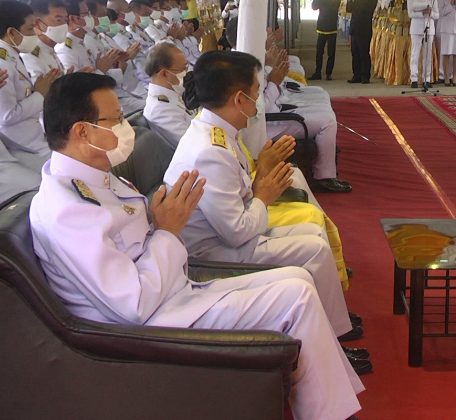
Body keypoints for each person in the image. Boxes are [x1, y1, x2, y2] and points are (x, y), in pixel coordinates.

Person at [31, 72, 364, 420]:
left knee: (299, 279)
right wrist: (166, 231)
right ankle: (333, 414)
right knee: (297, 296)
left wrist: (165, 232)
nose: (124, 127)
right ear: (82, 131)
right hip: (144, 329)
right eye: (114, 119)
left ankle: (332, 405)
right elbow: (133, 305)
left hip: (172, 293)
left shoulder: (97, 181)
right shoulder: (67, 210)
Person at [163, 51, 367, 367]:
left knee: (313, 233)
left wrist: (261, 178)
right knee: (313, 248)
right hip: (209, 253)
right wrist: (262, 195)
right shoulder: (209, 151)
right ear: (239, 99)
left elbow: (237, 197)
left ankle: (333, 325)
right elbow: (236, 233)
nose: (259, 101)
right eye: (257, 92)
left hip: (226, 235)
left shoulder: (216, 131)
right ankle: (333, 345)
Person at [0, 0, 59, 171]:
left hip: (35, 134)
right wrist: (39, 94)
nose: (35, 33)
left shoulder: (12, 56)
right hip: (20, 143)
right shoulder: (3, 63)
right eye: (30, 28)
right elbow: (7, 116)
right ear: (12, 32)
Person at [25, 0, 69, 81]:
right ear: (37, 23)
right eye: (58, 20)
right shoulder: (29, 56)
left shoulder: (50, 49)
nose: (64, 25)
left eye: (65, 20)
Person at [407, 0, 439, 88]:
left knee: (427, 55)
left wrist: (430, 13)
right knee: (415, 54)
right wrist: (422, 13)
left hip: (429, 28)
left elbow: (437, 15)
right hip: (416, 28)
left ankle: (427, 78)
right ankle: (414, 78)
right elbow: (410, 13)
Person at [345, 0, 377, 84]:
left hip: (364, 29)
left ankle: (365, 76)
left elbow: (367, 10)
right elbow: (349, 9)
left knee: (364, 53)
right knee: (355, 53)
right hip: (355, 29)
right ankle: (356, 75)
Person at [309, 0, 340, 81]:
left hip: (332, 28)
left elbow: (334, 8)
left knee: (331, 53)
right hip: (321, 28)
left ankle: (328, 73)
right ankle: (318, 72)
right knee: (319, 52)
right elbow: (314, 7)